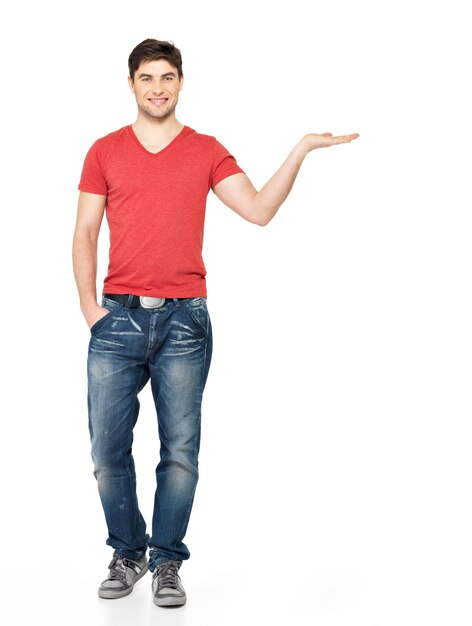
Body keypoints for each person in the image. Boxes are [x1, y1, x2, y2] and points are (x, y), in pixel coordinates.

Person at [72, 38, 359, 608]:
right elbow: (84, 232)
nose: (158, 88)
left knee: (180, 450)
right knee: (107, 449)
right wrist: (90, 308)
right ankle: (127, 550)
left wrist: (300, 149)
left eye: (168, 77)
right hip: (117, 318)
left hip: (185, 321)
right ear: (131, 84)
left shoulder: (204, 150)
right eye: (147, 77)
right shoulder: (105, 151)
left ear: (181, 83)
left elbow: (257, 210)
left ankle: (167, 561)